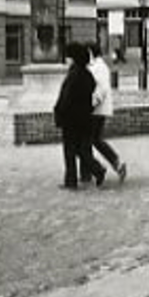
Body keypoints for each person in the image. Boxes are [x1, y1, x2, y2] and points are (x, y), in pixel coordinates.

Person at [53, 42, 106, 189]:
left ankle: (71, 180)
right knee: (81, 150)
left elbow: (66, 97)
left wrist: (59, 112)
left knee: (70, 151)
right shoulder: (87, 74)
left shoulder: (73, 75)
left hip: (71, 119)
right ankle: (97, 170)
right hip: (84, 117)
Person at [86, 43, 127, 183]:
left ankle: (114, 163)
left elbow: (101, 88)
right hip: (98, 109)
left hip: (97, 110)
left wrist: (92, 103)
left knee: (93, 140)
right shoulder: (96, 66)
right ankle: (114, 164)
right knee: (94, 140)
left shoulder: (99, 67)